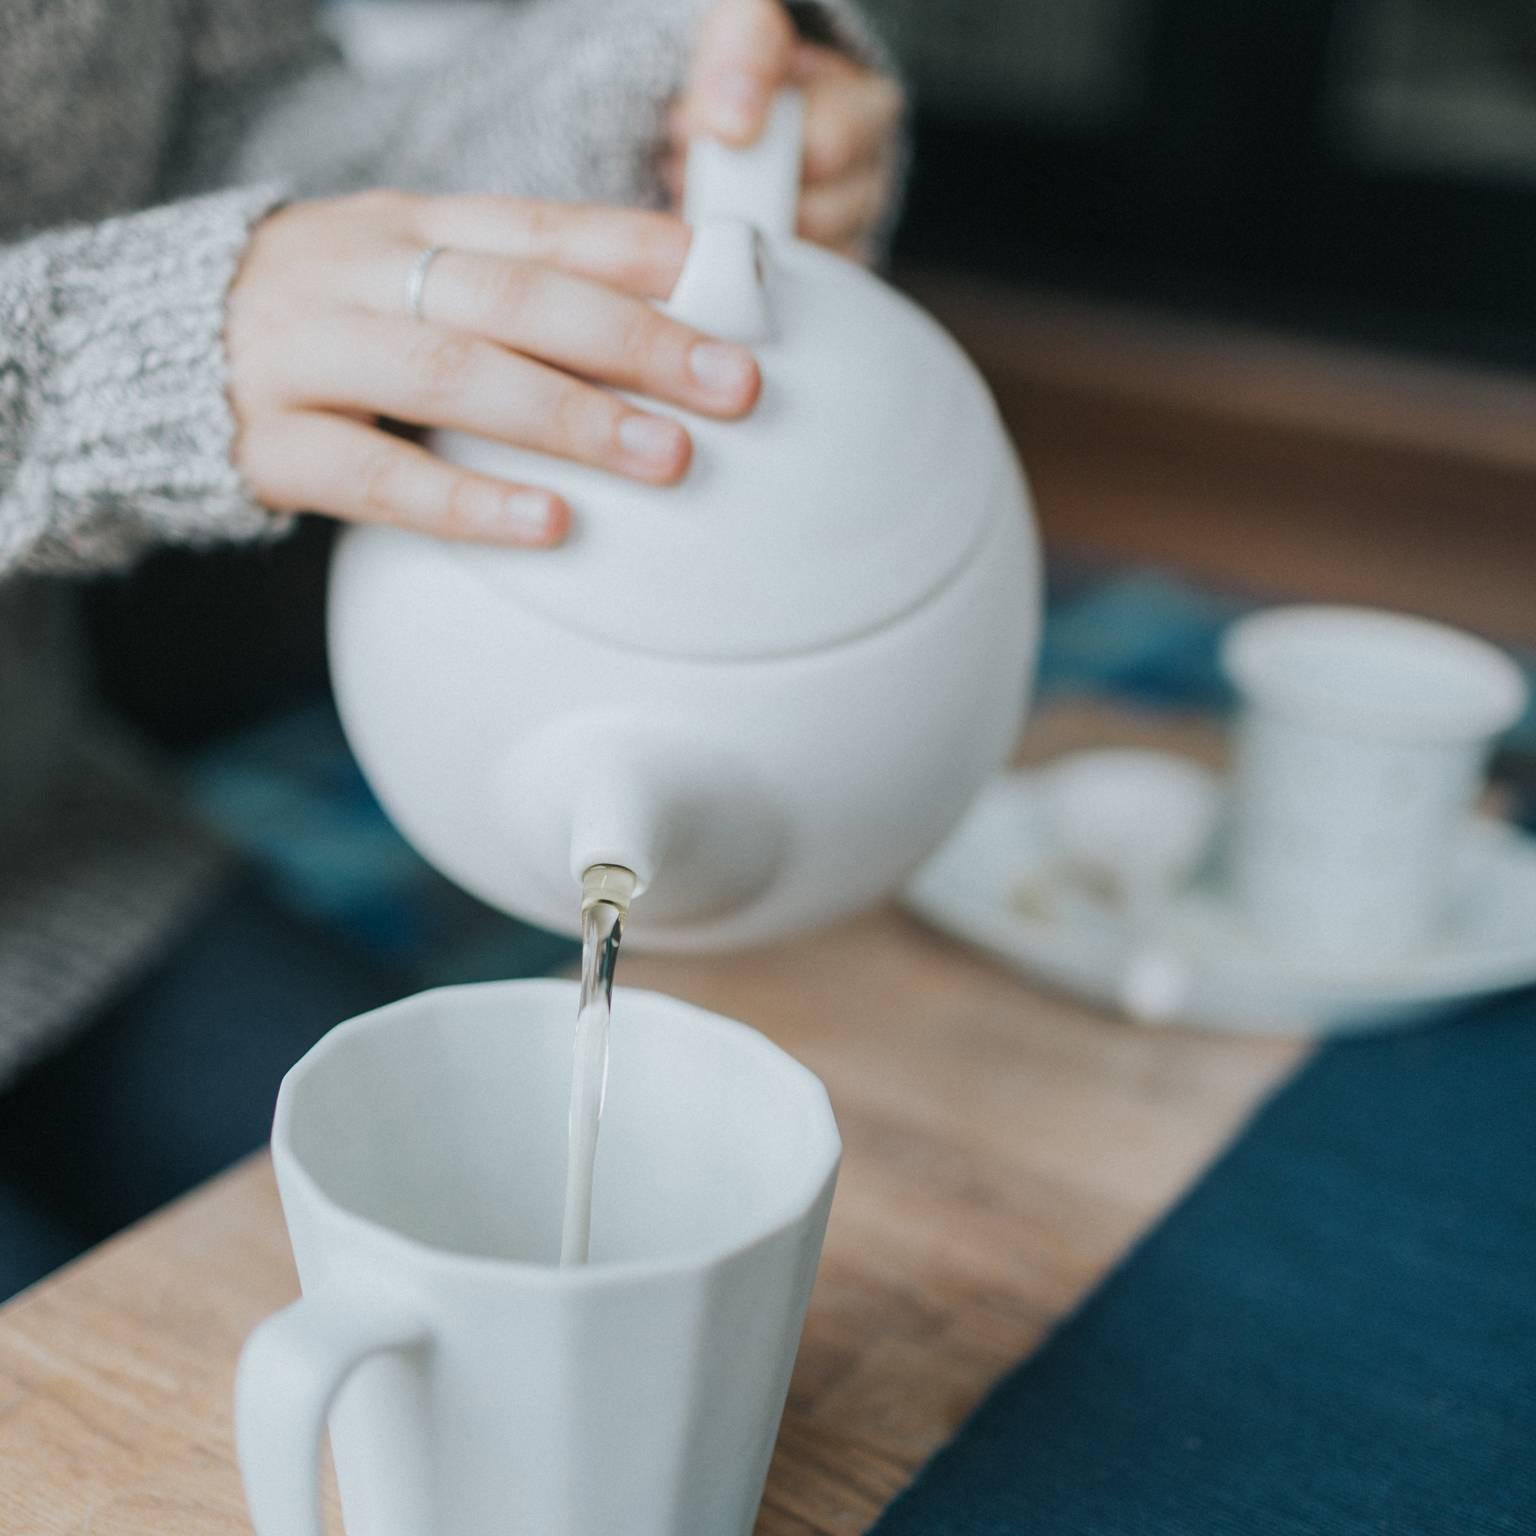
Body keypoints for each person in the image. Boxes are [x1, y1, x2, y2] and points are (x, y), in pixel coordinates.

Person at [0, 0, 903, 1296]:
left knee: (508, 1232)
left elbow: (242, 147)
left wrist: (641, 119)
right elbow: (163, 290)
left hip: (49, 858)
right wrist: (94, 361)